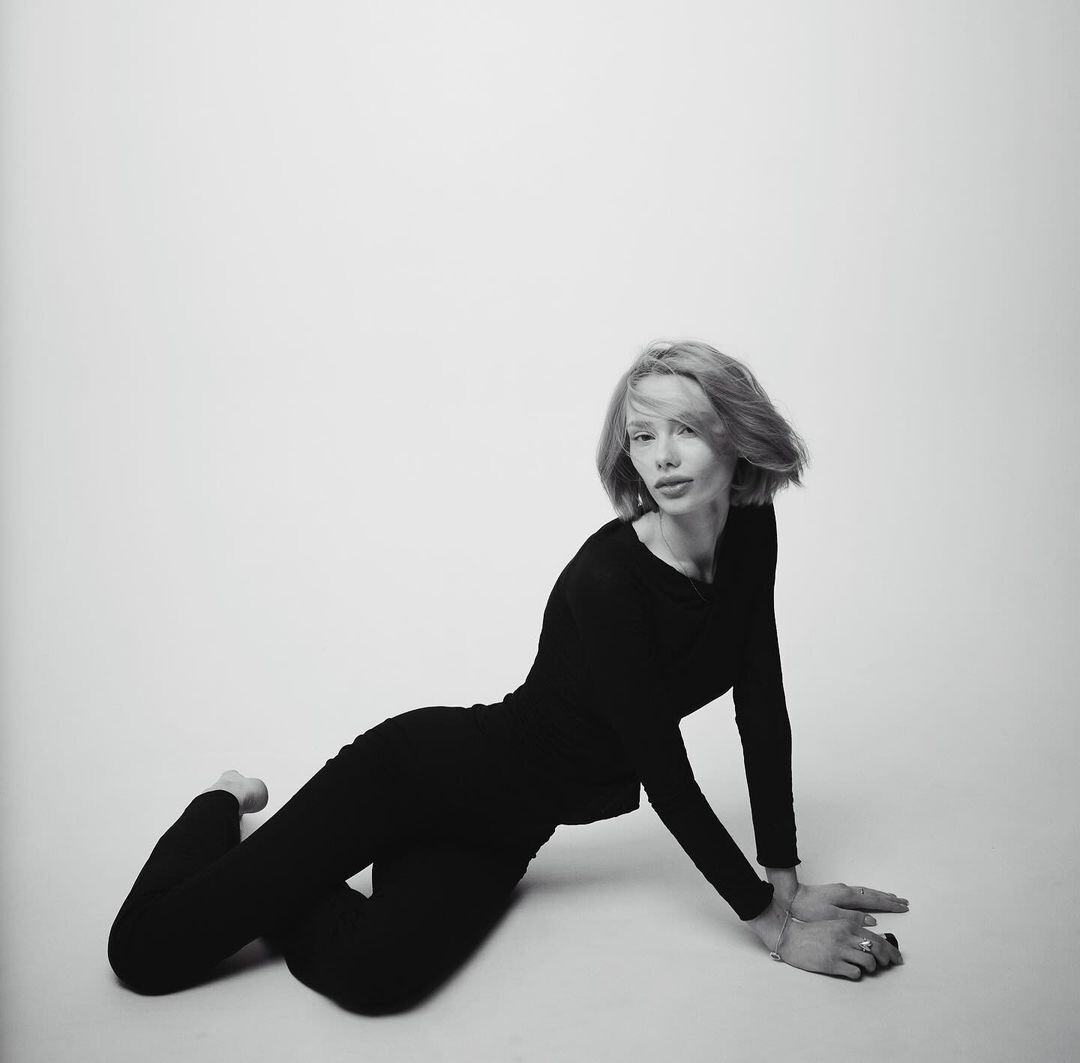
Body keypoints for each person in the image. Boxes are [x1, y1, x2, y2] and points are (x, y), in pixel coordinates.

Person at [107, 340, 908, 1013]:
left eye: (687, 430)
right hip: (415, 773)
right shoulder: (609, 580)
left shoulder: (752, 528)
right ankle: (224, 803)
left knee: (376, 979)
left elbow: (761, 701)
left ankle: (275, 874)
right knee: (146, 954)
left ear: (735, 434)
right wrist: (769, 923)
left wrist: (785, 880)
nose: (662, 456)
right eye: (642, 435)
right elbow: (665, 771)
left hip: (505, 827)